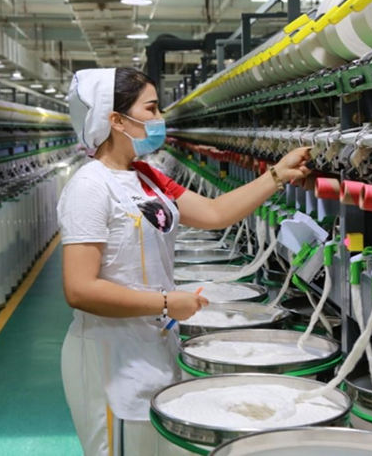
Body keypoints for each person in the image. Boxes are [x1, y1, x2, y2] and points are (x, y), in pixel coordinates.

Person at [57, 68, 311, 456]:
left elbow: (213, 213)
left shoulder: (146, 177)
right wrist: (164, 302)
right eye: (151, 108)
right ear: (115, 119)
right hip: (111, 356)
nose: (160, 119)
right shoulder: (89, 187)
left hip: (155, 343)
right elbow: (79, 289)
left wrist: (277, 174)